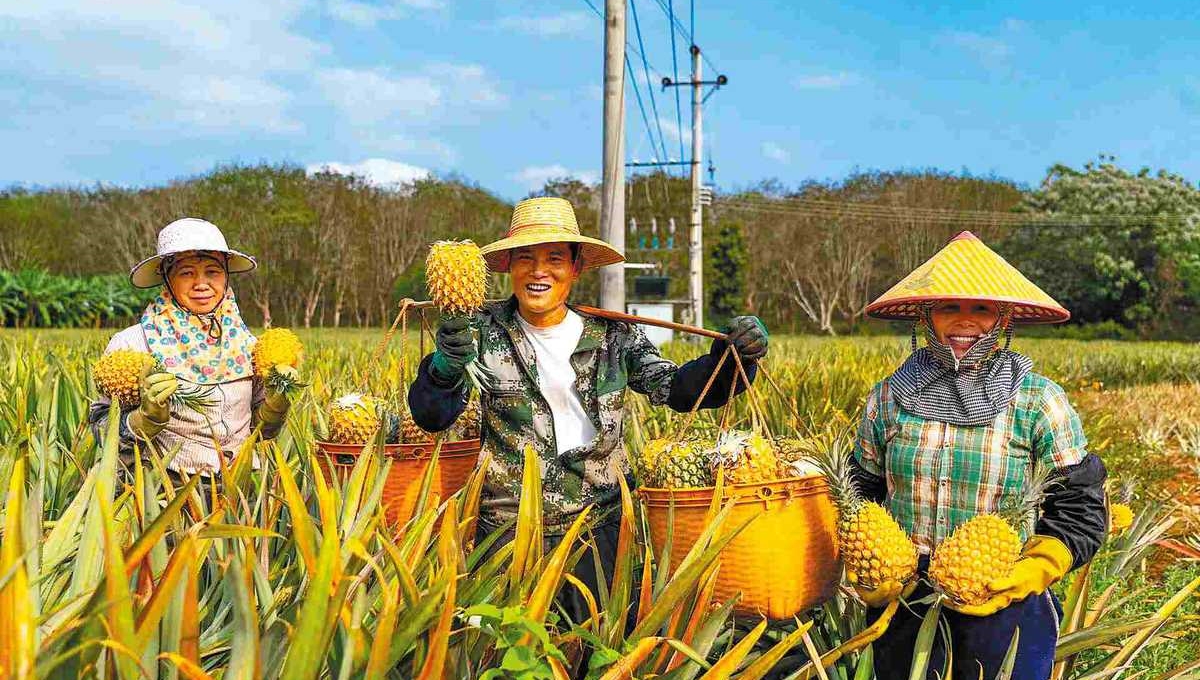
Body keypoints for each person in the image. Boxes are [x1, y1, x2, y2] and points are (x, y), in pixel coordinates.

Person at [408, 197, 768, 616]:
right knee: (506, 653)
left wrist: (731, 360)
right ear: (509, 266)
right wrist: (443, 368)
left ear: (576, 267)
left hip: (600, 528)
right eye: (526, 258)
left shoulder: (614, 336)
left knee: (596, 649)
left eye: (555, 258)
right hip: (507, 530)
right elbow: (431, 416)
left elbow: (680, 390)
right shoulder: (478, 333)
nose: (539, 270)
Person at [851, 232, 1107, 680]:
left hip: (1002, 596)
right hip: (904, 598)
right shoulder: (888, 397)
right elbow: (861, 493)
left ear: (1004, 319)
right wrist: (868, 569)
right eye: (949, 307)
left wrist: (1038, 566)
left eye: (981, 308)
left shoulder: (1039, 401)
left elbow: (1081, 505)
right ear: (925, 317)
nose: (964, 321)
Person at [89, 218, 295, 486]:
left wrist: (276, 405)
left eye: (213, 271)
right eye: (186, 273)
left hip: (242, 489)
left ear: (226, 276)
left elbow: (261, 432)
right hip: (164, 491)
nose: (202, 283)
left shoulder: (249, 345)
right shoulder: (134, 343)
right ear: (167, 277)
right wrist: (144, 420)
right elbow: (101, 426)